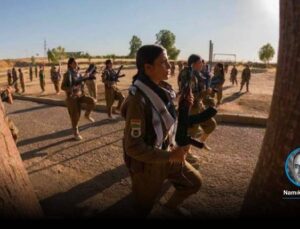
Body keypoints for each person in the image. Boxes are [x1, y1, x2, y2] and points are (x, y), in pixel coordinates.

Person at [121, 45, 202, 217]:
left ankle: (168, 208)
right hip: (148, 165)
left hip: (167, 153)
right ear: (148, 68)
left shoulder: (160, 88)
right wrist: (171, 156)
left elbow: (164, 119)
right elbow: (133, 147)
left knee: (194, 182)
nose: (169, 66)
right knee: (143, 209)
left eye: (168, 61)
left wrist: (183, 104)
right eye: (164, 63)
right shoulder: (138, 100)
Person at [179, 55, 217, 167]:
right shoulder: (189, 75)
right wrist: (207, 92)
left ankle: (199, 142)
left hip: (198, 107)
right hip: (191, 109)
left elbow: (199, 93)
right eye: (200, 62)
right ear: (194, 63)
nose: (203, 64)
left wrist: (208, 95)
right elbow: (190, 95)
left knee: (211, 124)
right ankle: (184, 157)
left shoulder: (196, 74)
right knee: (190, 132)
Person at [61, 58, 96, 141]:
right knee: (75, 116)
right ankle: (75, 133)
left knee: (92, 101)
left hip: (80, 95)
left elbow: (81, 83)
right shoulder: (67, 74)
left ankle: (87, 115)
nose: (76, 64)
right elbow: (62, 87)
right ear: (70, 64)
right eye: (74, 63)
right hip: (72, 98)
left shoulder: (78, 73)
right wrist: (72, 89)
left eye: (76, 63)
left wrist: (85, 79)